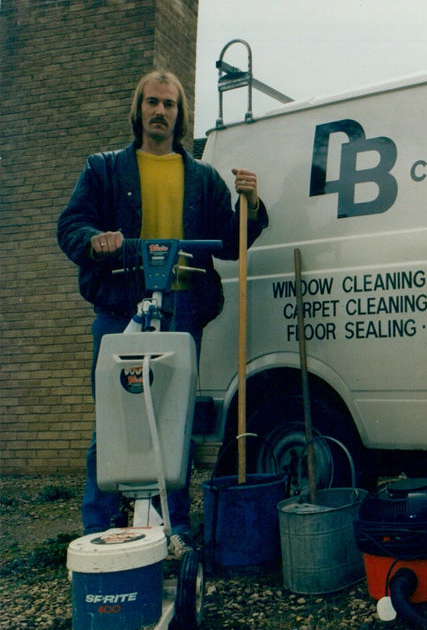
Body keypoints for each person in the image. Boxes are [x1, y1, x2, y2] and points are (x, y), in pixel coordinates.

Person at [58, 70, 269, 559]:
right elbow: (72, 223)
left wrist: (251, 203)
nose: (160, 112)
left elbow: (232, 241)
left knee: (173, 421)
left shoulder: (201, 177)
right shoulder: (103, 169)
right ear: (139, 110)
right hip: (119, 308)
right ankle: (98, 529)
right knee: (113, 417)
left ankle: (176, 527)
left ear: (179, 113)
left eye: (169, 105)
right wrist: (94, 239)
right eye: (152, 103)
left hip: (181, 310)